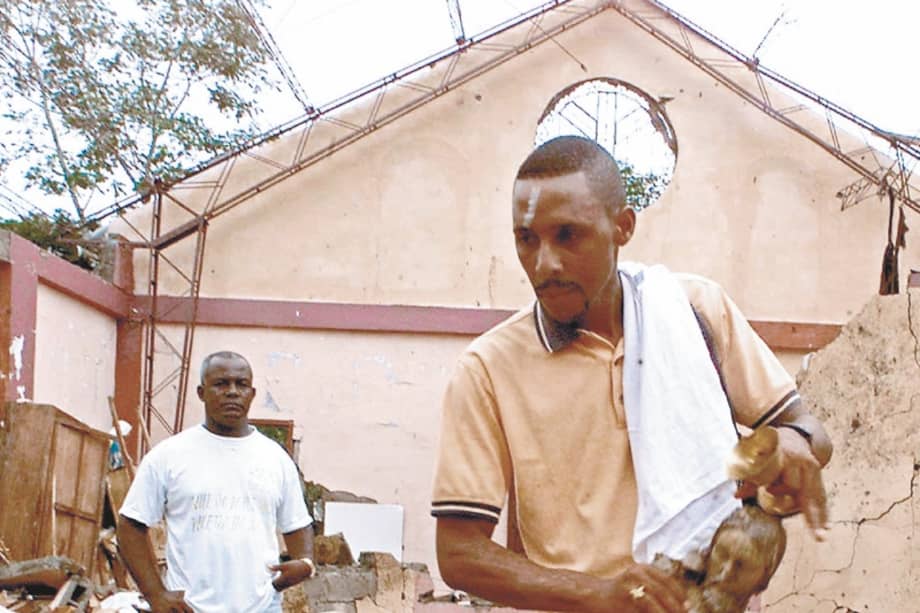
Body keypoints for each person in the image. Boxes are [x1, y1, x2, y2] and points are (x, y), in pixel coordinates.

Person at [431, 135, 832, 612]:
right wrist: (597, 594)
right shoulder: (488, 369)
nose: (545, 263)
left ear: (622, 227)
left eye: (567, 235)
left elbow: (811, 433)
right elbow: (458, 554)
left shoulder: (696, 311)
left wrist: (792, 444)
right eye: (526, 239)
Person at [118, 351, 314, 613]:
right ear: (201, 392)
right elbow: (130, 524)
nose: (232, 392)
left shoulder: (275, 458)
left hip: (262, 607)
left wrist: (306, 562)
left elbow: (297, 523)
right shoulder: (169, 455)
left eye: (241, 384)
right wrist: (156, 594)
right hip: (190, 608)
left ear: (252, 394)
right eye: (221, 384)